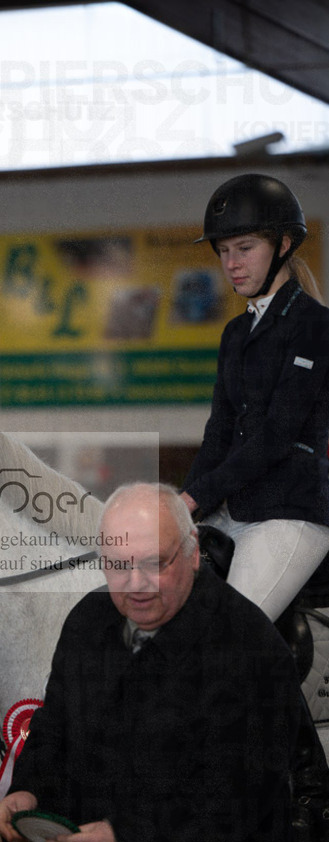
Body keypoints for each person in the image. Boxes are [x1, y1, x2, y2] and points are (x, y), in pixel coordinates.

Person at [0, 483, 311, 842]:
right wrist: (30, 787)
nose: (134, 585)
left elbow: (240, 790)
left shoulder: (248, 646)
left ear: (191, 553)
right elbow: (55, 727)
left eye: (153, 564)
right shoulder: (87, 623)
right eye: (116, 565)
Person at [182, 172, 329, 622]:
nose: (232, 263)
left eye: (244, 249)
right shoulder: (235, 332)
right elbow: (219, 431)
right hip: (233, 509)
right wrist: (185, 502)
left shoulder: (315, 326)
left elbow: (277, 434)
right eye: (224, 251)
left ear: (283, 244)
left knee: (233, 635)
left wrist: (195, 496)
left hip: (290, 514)